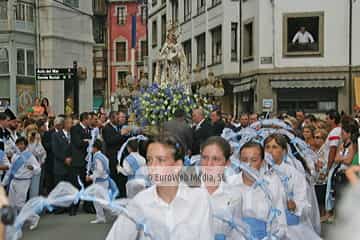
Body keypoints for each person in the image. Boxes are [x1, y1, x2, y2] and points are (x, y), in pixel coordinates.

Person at [106, 134, 213, 240]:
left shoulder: (199, 200)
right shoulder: (140, 203)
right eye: (149, 160)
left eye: (160, 160)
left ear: (177, 166)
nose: (152, 166)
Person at [264, 134, 321, 239]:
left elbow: (305, 205)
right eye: (267, 147)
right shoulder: (261, 174)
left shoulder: (294, 174)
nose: (270, 151)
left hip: (290, 229)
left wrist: (296, 207)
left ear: (284, 151)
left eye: (274, 147)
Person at [227, 142, 287, 239]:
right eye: (244, 160)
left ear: (262, 162)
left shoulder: (271, 185)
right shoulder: (230, 184)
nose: (248, 165)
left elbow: (280, 223)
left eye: (254, 160)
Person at [200, 137, 246, 240]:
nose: (209, 164)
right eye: (205, 157)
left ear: (227, 163)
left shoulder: (234, 196)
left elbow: (237, 232)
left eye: (216, 159)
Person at [2, 137, 41, 214]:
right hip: (13, 181)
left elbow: (38, 169)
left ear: (25, 145)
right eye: (18, 144)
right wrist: (3, 183)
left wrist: (32, 167)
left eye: (22, 144)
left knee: (20, 204)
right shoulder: (15, 156)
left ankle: (33, 218)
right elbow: (10, 171)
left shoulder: (29, 156)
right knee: (11, 204)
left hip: (24, 181)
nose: (20, 146)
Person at [86, 139, 116, 224]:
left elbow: (100, 171)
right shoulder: (101, 156)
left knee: (102, 201)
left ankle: (117, 212)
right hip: (103, 180)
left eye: (91, 147)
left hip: (101, 181)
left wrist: (91, 177)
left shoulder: (97, 157)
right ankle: (100, 217)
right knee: (97, 200)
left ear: (95, 148)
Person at [102, 111, 130, 197]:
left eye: (118, 117)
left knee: (122, 177)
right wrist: (121, 134)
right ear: (111, 118)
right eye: (116, 117)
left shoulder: (119, 127)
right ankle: (115, 195)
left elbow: (123, 140)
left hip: (121, 156)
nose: (118, 119)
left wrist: (126, 134)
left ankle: (123, 194)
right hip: (112, 157)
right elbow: (110, 141)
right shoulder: (107, 128)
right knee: (114, 177)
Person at [69, 112, 92, 215]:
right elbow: (78, 143)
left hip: (87, 162)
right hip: (77, 161)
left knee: (87, 184)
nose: (91, 121)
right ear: (85, 120)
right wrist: (88, 141)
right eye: (89, 119)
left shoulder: (89, 130)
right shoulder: (75, 129)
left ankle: (88, 206)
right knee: (76, 185)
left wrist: (87, 140)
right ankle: (74, 207)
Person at [26, 125, 46, 198]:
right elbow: (30, 152)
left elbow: (42, 153)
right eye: (31, 131)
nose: (33, 133)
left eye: (35, 131)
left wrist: (38, 142)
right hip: (27, 167)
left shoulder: (38, 141)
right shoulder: (25, 142)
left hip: (36, 166)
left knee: (34, 188)